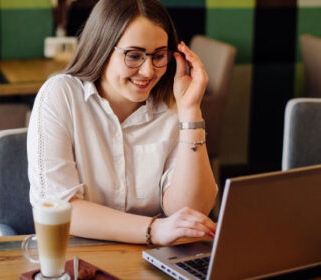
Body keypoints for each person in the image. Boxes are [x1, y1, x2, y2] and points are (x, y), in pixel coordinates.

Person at [27, 0, 217, 246]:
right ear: (102, 48)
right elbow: (59, 209)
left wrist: (190, 111)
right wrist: (153, 229)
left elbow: (190, 212)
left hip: (153, 260)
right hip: (80, 256)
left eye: (159, 55)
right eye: (134, 55)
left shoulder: (173, 104)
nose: (149, 71)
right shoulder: (60, 95)